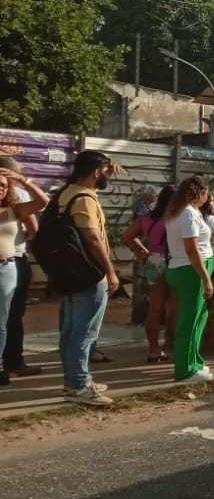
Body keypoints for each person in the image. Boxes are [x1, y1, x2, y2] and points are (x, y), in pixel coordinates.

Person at [53, 151, 120, 405]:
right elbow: (92, 238)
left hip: (71, 274)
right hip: (90, 275)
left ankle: (73, 381)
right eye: (104, 171)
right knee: (85, 333)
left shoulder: (70, 193)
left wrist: (106, 176)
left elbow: (88, 199)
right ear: (95, 172)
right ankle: (80, 385)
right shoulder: (85, 199)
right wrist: (111, 271)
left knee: (71, 330)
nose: (106, 175)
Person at [163, 176, 214, 383]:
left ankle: (194, 363)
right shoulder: (187, 214)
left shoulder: (183, 212)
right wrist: (205, 278)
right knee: (190, 320)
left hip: (188, 268)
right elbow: (191, 249)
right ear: (200, 194)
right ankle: (185, 369)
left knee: (198, 318)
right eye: (205, 194)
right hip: (190, 270)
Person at [0, 163, 47, 387]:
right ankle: (12, 362)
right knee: (10, 317)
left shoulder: (13, 206)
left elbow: (43, 202)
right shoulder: (14, 203)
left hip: (8, 266)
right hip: (14, 262)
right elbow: (33, 230)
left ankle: (5, 364)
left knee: (5, 319)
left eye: (3, 184)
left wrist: (24, 180)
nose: (1, 187)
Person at [122, 185, 176, 364]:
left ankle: (154, 349)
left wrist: (143, 251)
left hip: (154, 261)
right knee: (176, 306)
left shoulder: (147, 218)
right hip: (175, 261)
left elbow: (128, 235)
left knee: (155, 307)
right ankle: (175, 344)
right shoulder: (177, 218)